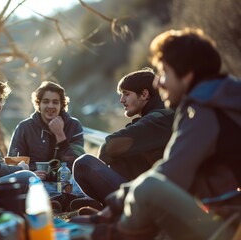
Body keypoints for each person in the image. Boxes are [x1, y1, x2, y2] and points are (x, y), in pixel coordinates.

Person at [74, 28, 241, 240]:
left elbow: (169, 174)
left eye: (164, 73)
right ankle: (118, 225)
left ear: (187, 76)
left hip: (230, 227)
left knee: (149, 187)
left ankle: (114, 233)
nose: (158, 82)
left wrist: (115, 205)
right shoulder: (225, 101)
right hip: (226, 218)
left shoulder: (204, 109)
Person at [73, 68, 174, 205]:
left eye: (126, 94)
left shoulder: (157, 120)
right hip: (149, 191)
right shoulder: (160, 116)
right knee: (122, 157)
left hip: (155, 198)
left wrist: (109, 155)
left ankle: (112, 209)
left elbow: (110, 146)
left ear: (144, 94)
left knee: (83, 164)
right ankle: (109, 209)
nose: (121, 100)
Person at [7, 81, 88, 211]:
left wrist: (60, 134)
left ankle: (71, 202)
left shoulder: (73, 125)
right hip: (39, 182)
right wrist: (32, 172)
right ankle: (55, 202)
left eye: (55, 102)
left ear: (62, 105)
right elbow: (12, 162)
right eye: (45, 101)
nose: (50, 106)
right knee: (27, 184)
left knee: (80, 181)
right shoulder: (24, 127)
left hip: (67, 183)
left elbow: (77, 164)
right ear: (38, 104)